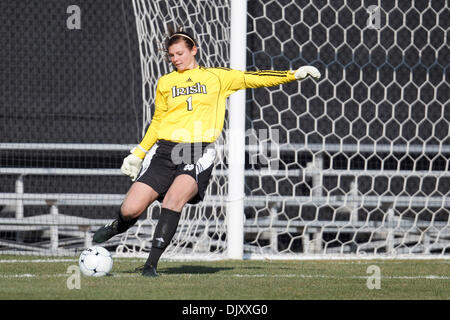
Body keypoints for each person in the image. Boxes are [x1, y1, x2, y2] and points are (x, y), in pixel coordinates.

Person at [93, 27, 321, 277]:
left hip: (196, 151)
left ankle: (151, 265)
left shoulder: (216, 77)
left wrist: (293, 75)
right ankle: (117, 225)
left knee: (173, 201)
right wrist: (138, 153)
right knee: (130, 209)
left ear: (194, 50)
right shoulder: (166, 82)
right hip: (164, 152)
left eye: (180, 53)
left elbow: (253, 78)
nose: (176, 59)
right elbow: (158, 121)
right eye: (171, 55)